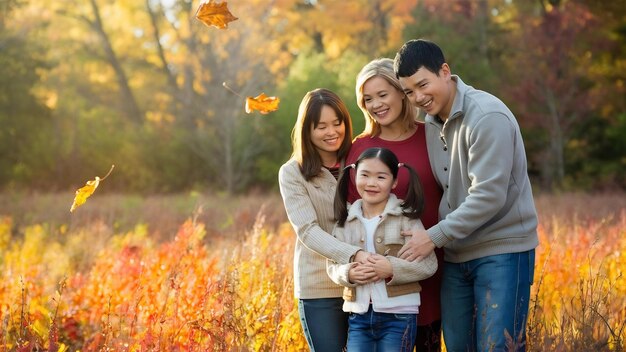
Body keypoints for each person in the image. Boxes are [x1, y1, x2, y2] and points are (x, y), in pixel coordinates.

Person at [393, 39, 539, 352]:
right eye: (409, 92)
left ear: (445, 71)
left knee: (498, 347)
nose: (418, 97)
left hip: (502, 250)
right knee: (458, 346)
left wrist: (432, 237)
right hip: (457, 254)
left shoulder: (486, 116)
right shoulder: (431, 123)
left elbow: (488, 195)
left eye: (423, 84)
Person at [348, 58, 444, 351]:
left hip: (432, 264)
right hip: (380, 282)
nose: (375, 104)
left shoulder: (432, 134)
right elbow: (351, 216)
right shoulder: (360, 147)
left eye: (382, 94)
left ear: (402, 91)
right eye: (367, 98)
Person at [278, 88, 375, 351]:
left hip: (364, 282)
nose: (332, 132)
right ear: (306, 130)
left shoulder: (359, 159)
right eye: (321, 126)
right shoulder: (292, 172)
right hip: (320, 287)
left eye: (337, 123)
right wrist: (353, 254)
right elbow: (308, 231)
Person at [327, 147, 438, 351]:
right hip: (358, 315)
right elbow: (332, 265)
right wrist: (348, 273)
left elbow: (429, 265)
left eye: (381, 177)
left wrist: (391, 269)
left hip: (400, 314)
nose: (371, 183)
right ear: (354, 175)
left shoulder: (406, 218)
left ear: (394, 182)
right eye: (365, 175)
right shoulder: (346, 220)